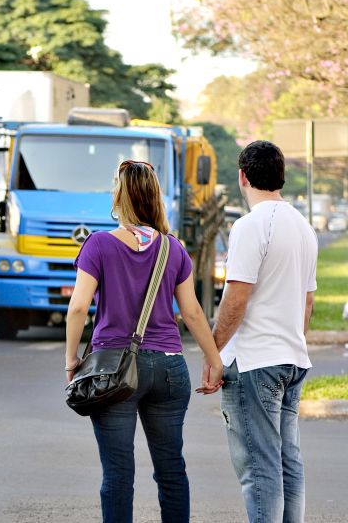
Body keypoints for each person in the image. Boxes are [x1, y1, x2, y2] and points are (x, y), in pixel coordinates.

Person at [65, 159, 224, 523]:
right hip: (169, 366)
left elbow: (77, 310)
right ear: (154, 197)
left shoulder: (98, 245)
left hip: (114, 368)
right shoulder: (173, 248)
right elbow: (194, 314)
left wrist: (71, 360)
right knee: (171, 470)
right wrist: (214, 360)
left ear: (119, 197)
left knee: (118, 474)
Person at [206, 140, 317, 523]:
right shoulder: (304, 227)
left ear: (243, 177)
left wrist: (212, 353)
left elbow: (236, 299)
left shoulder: (250, 226)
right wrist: (294, 342)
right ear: (281, 177)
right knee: (288, 462)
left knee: (260, 468)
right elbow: (307, 302)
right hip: (292, 360)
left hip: (256, 362)